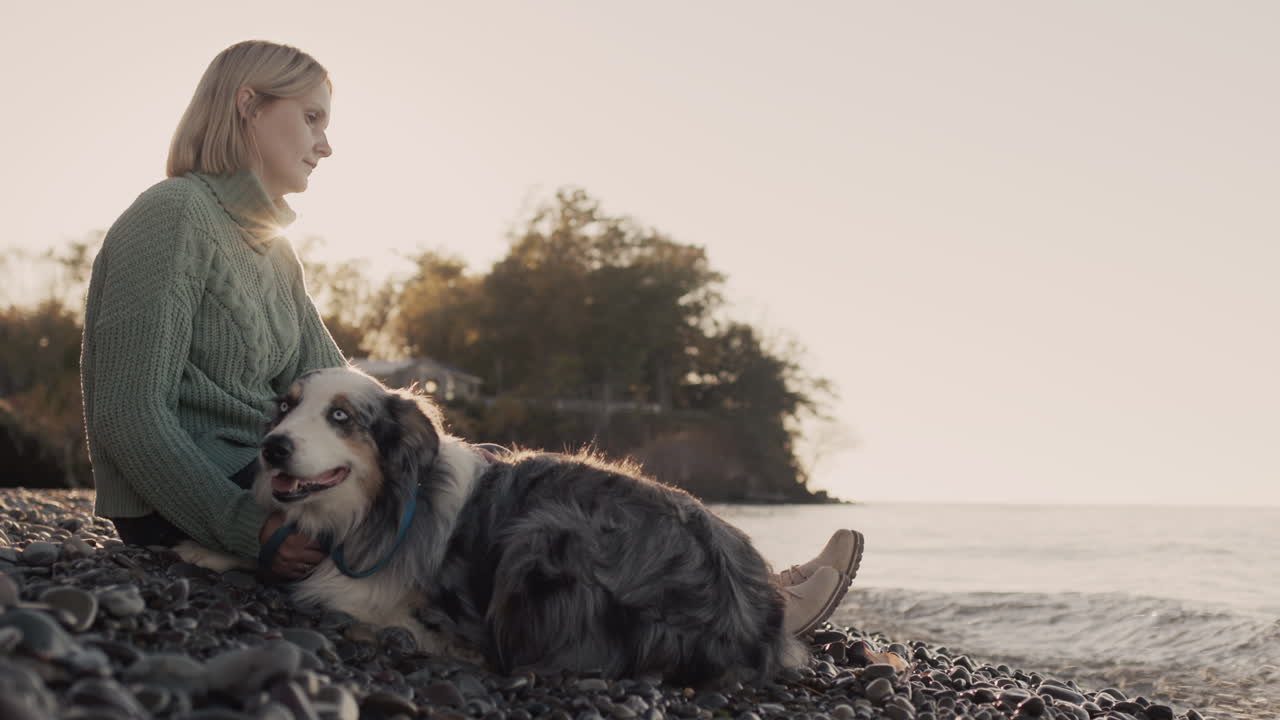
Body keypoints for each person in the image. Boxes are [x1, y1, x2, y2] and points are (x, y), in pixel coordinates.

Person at [79, 39, 859, 637]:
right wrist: (244, 529)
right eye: (311, 117)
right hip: (212, 496)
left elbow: (351, 391)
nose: (325, 143)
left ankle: (748, 581)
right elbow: (128, 414)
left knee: (531, 481)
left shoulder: (270, 252)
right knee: (521, 514)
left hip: (281, 480)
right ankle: (748, 614)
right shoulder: (172, 217)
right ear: (249, 104)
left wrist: (452, 452)